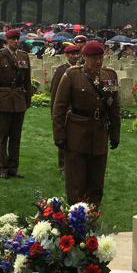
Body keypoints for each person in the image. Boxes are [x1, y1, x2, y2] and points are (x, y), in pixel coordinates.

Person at [51, 41, 120, 205]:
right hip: (77, 135)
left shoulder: (109, 76)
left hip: (99, 135)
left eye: (100, 57)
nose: (98, 61)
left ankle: (92, 217)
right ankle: (76, 219)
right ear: (84, 57)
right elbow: (59, 108)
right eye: (93, 58)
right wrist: (59, 135)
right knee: (76, 183)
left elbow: (114, 108)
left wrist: (115, 134)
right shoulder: (72, 75)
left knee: (96, 183)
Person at [0, 30, 33, 178]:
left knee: (16, 137)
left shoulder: (23, 56)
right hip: (4, 98)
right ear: (7, 41)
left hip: (19, 99)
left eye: (17, 39)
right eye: (12, 39)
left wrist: (28, 99)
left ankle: (13, 167)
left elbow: (27, 80)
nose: (15, 41)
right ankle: (2, 167)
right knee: (3, 136)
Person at [49, 43, 81, 175]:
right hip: (65, 110)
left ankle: (75, 165)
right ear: (66, 55)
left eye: (76, 54)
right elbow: (55, 93)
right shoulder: (61, 71)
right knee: (64, 139)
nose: (75, 56)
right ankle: (63, 166)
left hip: (78, 110)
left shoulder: (81, 70)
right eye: (72, 54)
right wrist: (55, 114)